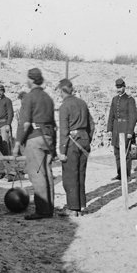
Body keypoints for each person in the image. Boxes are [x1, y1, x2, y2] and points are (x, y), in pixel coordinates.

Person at [13, 68, 56, 220]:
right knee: (47, 172)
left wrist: (17, 144)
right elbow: (53, 123)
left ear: (31, 80)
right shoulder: (48, 98)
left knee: (37, 174)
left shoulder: (29, 98)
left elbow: (24, 124)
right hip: (49, 138)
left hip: (35, 138)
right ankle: (49, 208)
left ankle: (42, 211)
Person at [56, 79, 95, 217]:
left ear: (62, 91)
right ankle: (81, 205)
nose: (59, 94)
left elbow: (64, 131)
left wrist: (61, 151)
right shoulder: (82, 103)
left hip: (72, 143)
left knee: (70, 176)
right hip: (84, 141)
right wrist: (86, 138)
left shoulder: (64, 107)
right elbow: (92, 124)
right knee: (81, 174)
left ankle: (73, 208)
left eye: (59, 91)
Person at [106, 78, 137, 181]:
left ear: (124, 87)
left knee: (126, 153)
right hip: (116, 129)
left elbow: (134, 117)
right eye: (117, 87)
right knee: (117, 152)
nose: (119, 89)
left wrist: (130, 131)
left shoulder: (130, 99)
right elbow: (111, 115)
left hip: (125, 128)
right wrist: (109, 129)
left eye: (120, 87)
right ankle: (120, 174)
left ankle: (127, 175)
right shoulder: (114, 99)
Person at [0, 84, 14, 156]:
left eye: (1, 91)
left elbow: (10, 113)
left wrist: (8, 124)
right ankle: (2, 161)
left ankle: (8, 160)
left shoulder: (7, 100)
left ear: (3, 91)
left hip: (4, 124)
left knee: (5, 143)